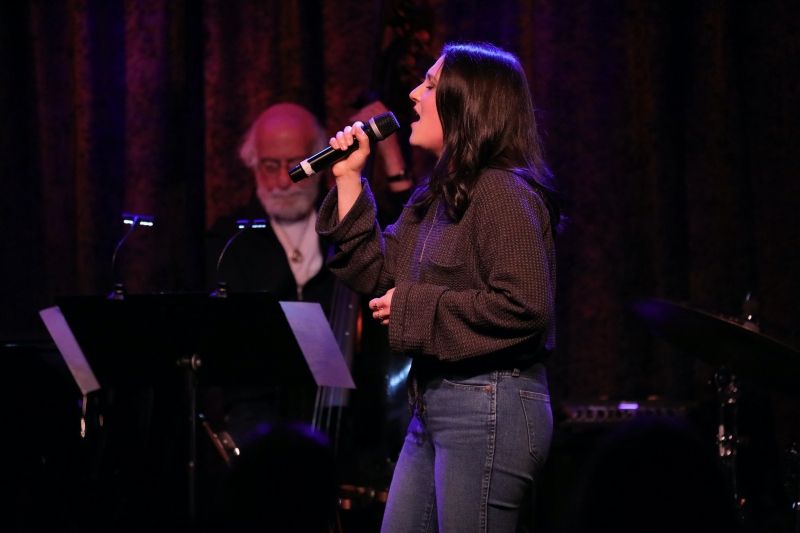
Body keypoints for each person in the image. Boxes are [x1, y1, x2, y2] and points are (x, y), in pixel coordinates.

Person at [316, 42, 561, 532]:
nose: (412, 94)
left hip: (489, 400)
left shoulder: (503, 192)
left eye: (429, 84)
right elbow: (378, 273)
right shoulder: (437, 196)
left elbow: (525, 304)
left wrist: (413, 305)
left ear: (466, 103)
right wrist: (347, 179)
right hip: (434, 404)